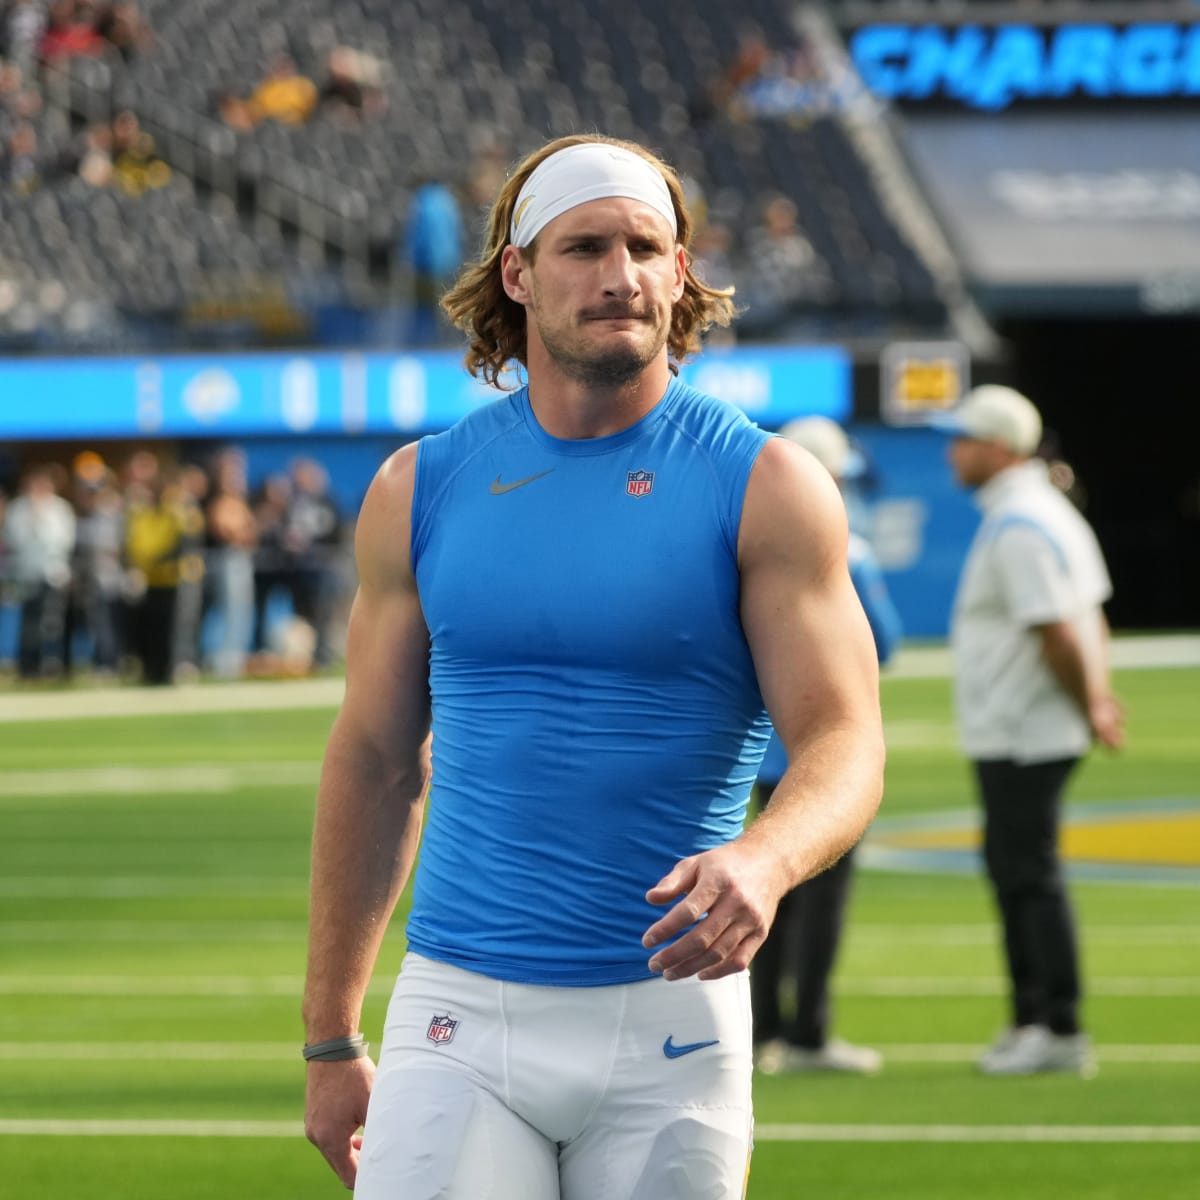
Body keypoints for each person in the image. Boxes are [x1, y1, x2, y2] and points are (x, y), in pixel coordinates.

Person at [302, 132, 886, 1199]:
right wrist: (330, 1038)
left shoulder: (766, 484)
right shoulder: (418, 487)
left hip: (672, 1016)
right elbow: (378, 759)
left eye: (644, 246)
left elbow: (845, 741)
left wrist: (766, 859)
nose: (618, 275)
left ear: (679, 272)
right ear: (518, 273)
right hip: (458, 1011)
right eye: (583, 247)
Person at [937, 384, 1124, 1077]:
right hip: (1027, 724)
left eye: (964, 437)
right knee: (1020, 872)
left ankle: (1054, 1023)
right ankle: (1036, 1018)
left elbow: (1056, 629)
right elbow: (1090, 614)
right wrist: (1095, 699)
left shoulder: (1020, 522)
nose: (952, 451)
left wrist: (1092, 703)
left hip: (1022, 728)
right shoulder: (1041, 512)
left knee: (1026, 875)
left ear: (999, 446)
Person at [752, 416, 902, 1076]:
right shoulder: (849, 547)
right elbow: (885, 642)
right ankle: (810, 1033)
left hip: (761, 752)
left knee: (763, 889)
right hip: (823, 754)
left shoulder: (744, 542)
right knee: (821, 897)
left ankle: (759, 1032)